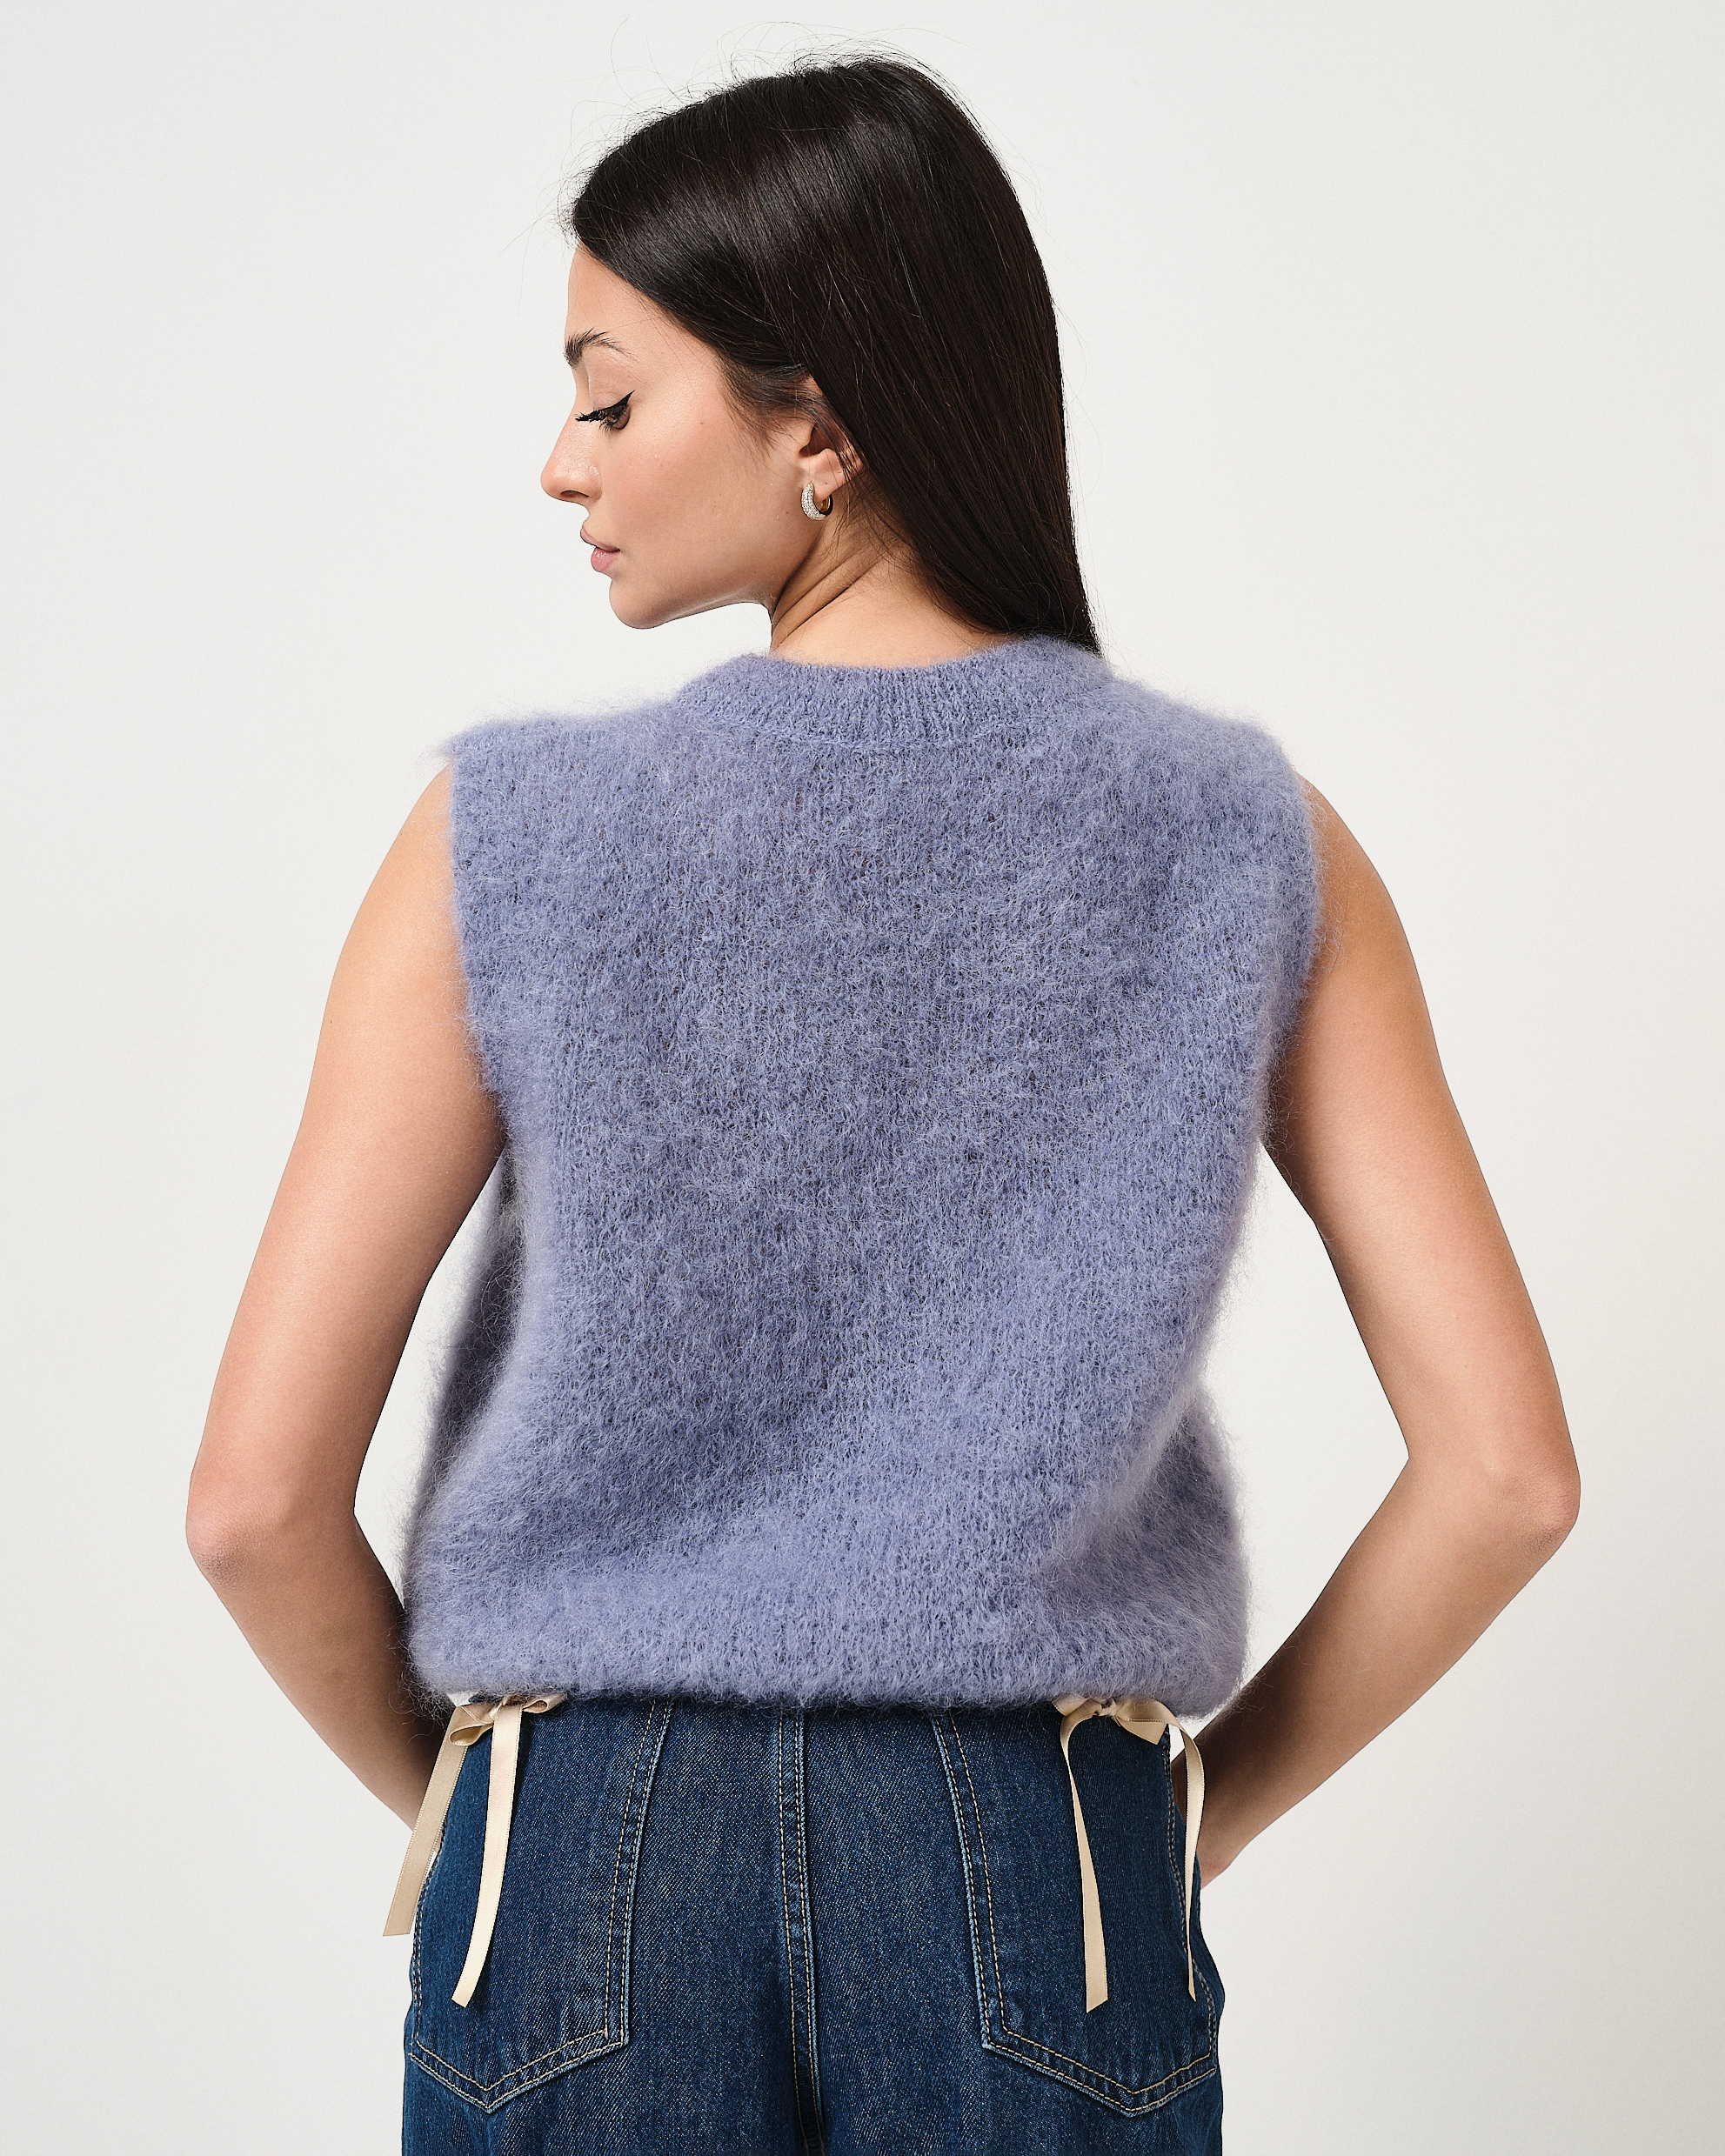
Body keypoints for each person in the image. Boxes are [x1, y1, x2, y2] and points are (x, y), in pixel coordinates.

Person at [185, 53, 1579, 2154]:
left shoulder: (505, 835)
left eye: (607, 397)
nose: (560, 465)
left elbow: (250, 1504)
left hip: (584, 1835)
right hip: (1040, 1847)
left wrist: (505, 1832)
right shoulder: (1247, 836)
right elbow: (1505, 1477)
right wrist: (1189, 1819)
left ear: (818, 425)